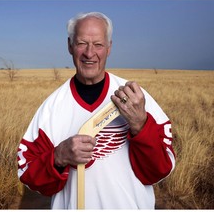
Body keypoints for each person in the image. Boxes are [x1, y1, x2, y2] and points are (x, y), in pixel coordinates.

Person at [17, 12, 175, 209]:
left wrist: (140, 125)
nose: (89, 53)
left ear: (109, 48)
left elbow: (159, 171)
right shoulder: (52, 107)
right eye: (82, 43)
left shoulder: (137, 98)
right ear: (70, 46)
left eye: (98, 44)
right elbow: (28, 175)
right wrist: (58, 157)